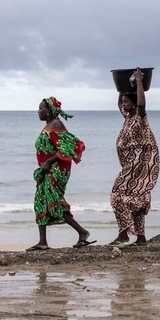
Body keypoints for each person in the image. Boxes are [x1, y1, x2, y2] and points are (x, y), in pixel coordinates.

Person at [27, 96, 96, 251]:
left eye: (41, 108)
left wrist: (49, 162)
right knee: (40, 201)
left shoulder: (56, 124)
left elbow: (68, 147)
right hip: (46, 170)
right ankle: (43, 242)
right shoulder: (47, 126)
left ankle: (83, 232)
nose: (38, 111)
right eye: (38, 108)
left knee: (55, 202)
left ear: (50, 110)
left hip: (57, 170)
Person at [109, 69, 160, 247]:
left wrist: (138, 81)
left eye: (125, 102)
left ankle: (123, 234)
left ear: (132, 103)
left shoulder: (139, 116)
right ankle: (141, 238)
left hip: (140, 165)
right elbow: (118, 105)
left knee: (116, 195)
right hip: (130, 164)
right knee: (137, 199)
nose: (123, 105)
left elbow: (141, 104)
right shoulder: (128, 117)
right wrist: (121, 88)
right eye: (123, 102)